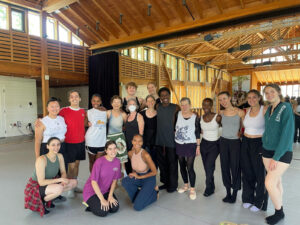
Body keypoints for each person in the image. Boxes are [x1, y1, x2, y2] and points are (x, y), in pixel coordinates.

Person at [262, 84, 294, 225]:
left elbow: (287, 134)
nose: (269, 95)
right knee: (276, 181)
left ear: (279, 92)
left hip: (281, 152)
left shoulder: (285, 107)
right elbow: (268, 129)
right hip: (267, 150)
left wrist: (276, 157)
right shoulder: (269, 109)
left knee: (269, 183)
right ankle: (278, 206)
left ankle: (279, 212)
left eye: (272, 92)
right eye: (267, 93)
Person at [24, 137, 77, 216]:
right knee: (59, 188)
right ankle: (42, 201)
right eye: (53, 145)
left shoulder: (60, 156)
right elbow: (41, 182)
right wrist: (60, 180)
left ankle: (51, 198)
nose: (56, 147)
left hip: (51, 181)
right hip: (36, 186)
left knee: (73, 182)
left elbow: (63, 172)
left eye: (58, 144)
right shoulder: (41, 160)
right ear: (47, 146)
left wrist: (63, 180)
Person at [241, 90, 268, 212]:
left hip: (259, 143)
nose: (251, 100)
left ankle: (259, 201)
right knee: (247, 171)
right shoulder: (246, 110)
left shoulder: (265, 109)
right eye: (249, 97)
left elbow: (271, 128)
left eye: (254, 97)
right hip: (246, 142)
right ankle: (247, 198)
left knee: (259, 174)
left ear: (259, 98)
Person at [218, 91, 245, 203]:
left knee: (235, 168)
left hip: (235, 143)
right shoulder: (221, 112)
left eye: (224, 98)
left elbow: (244, 127)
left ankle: (234, 193)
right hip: (223, 142)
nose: (222, 101)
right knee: (224, 168)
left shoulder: (239, 112)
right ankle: (228, 192)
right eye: (220, 100)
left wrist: (241, 133)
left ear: (229, 98)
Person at [82, 141, 121, 217]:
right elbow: (93, 182)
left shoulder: (117, 162)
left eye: (114, 148)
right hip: (92, 191)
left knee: (114, 208)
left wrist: (110, 196)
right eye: (110, 149)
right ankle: (90, 204)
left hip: (105, 190)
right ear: (106, 151)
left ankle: (98, 203)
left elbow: (114, 180)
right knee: (103, 212)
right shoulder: (99, 162)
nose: (113, 151)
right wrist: (102, 199)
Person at [59, 90, 86, 197]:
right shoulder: (64, 111)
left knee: (77, 165)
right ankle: (70, 187)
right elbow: (52, 116)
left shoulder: (83, 111)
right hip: (69, 143)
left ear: (80, 98)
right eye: (72, 97)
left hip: (80, 142)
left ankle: (74, 185)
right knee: (71, 166)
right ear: (69, 99)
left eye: (76, 96)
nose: (74, 98)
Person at [122, 134, 159, 211]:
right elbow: (134, 165)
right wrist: (133, 173)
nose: (137, 143)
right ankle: (137, 198)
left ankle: (155, 194)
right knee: (125, 181)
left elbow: (155, 172)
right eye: (135, 140)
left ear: (142, 143)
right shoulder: (130, 153)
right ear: (132, 141)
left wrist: (139, 177)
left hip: (149, 178)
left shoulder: (146, 155)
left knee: (137, 207)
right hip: (139, 176)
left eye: (139, 141)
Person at [175, 97, 200, 200]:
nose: (184, 106)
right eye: (182, 104)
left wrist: (198, 146)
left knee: (190, 166)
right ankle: (186, 185)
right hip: (179, 143)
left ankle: (192, 188)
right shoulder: (178, 114)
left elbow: (197, 132)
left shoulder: (195, 117)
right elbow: (174, 128)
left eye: (186, 104)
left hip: (191, 144)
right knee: (181, 165)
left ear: (190, 105)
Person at [155, 87, 180, 193]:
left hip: (171, 141)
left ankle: (173, 185)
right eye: (162, 95)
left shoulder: (175, 107)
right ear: (160, 97)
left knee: (172, 163)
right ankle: (165, 182)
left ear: (169, 95)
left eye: (166, 95)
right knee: (162, 164)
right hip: (159, 140)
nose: (164, 97)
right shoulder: (157, 106)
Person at [200, 98, 221, 197]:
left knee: (209, 166)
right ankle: (212, 186)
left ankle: (208, 188)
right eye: (204, 104)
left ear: (212, 106)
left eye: (208, 105)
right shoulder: (201, 117)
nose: (206, 107)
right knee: (207, 167)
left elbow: (225, 128)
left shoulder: (217, 117)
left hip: (214, 145)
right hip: (204, 144)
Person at [85, 94, 107, 172]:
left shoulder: (105, 111)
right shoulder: (88, 112)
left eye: (98, 101)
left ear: (100, 102)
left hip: (102, 142)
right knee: (92, 162)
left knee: (99, 163)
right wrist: (87, 123)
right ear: (91, 101)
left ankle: (99, 181)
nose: (96, 103)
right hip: (91, 141)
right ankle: (93, 181)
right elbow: (84, 123)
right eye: (94, 101)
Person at [107, 95, 128, 176]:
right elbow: (101, 123)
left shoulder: (123, 114)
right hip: (110, 138)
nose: (116, 104)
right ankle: (112, 174)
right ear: (111, 103)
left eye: (118, 102)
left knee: (121, 158)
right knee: (111, 157)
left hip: (120, 137)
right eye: (114, 102)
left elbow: (127, 126)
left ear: (121, 104)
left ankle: (124, 173)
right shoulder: (108, 113)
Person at [124, 98, 144, 174]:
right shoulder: (127, 116)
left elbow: (141, 133)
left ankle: (137, 180)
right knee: (128, 162)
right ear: (127, 106)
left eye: (133, 104)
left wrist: (136, 145)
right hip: (127, 143)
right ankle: (130, 178)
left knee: (136, 163)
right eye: (130, 104)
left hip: (135, 144)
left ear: (136, 106)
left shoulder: (139, 116)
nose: (132, 106)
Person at [140, 95, 157, 166]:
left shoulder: (159, 113)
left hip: (156, 142)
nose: (150, 102)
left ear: (155, 102)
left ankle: (153, 176)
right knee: (146, 162)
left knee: (155, 161)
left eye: (152, 101)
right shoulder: (141, 114)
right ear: (146, 103)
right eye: (148, 101)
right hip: (145, 142)